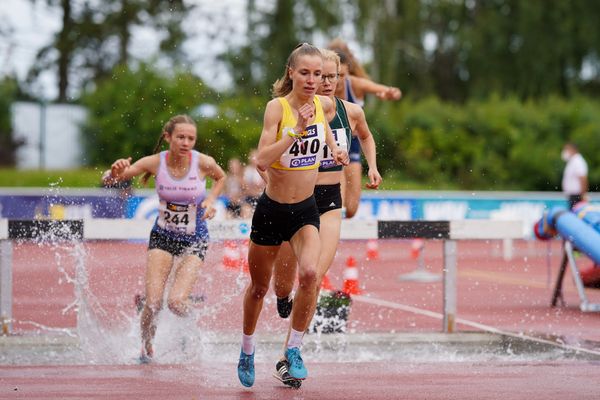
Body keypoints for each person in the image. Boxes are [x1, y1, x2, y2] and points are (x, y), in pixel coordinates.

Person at [237, 42, 348, 388]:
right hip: (271, 212)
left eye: (318, 74)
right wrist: (294, 132)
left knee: (311, 274)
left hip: (305, 211)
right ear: (291, 73)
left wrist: (335, 150)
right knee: (259, 288)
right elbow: (261, 160)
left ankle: (294, 350)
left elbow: (327, 133)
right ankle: (247, 348)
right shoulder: (277, 108)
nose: (313, 80)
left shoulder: (320, 105)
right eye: (306, 73)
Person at [271, 48, 382, 387]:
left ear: (340, 79)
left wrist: (372, 166)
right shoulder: (294, 113)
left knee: (313, 278)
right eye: (321, 77)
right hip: (295, 200)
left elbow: (365, 135)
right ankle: (281, 296)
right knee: (284, 283)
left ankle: (289, 353)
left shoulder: (352, 112)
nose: (327, 83)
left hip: (329, 201)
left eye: (334, 78)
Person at [105, 114, 226, 363]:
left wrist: (211, 200)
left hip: (195, 239)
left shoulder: (202, 162)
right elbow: (114, 178)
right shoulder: (154, 162)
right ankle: (146, 345)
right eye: (180, 137)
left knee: (176, 302)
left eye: (191, 138)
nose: (186, 142)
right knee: (153, 303)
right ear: (168, 137)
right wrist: (112, 171)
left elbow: (221, 177)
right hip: (163, 236)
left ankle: (190, 332)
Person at [328, 38, 402, 218]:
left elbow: (391, 91)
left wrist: (389, 94)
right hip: (328, 147)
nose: (336, 81)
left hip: (352, 145)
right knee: (336, 205)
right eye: (333, 75)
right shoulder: (318, 88)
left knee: (351, 209)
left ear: (348, 72)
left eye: (342, 76)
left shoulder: (355, 84)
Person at [561, 142, 588, 210]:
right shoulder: (573, 161)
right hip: (573, 196)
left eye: (567, 149)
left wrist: (583, 195)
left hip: (577, 196)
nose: (565, 151)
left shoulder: (578, 161)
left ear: (573, 149)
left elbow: (583, 178)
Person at [241, 149, 266, 218]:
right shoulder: (247, 170)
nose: (254, 159)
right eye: (252, 157)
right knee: (245, 212)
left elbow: (264, 185)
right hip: (249, 196)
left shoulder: (263, 169)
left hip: (261, 196)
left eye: (255, 157)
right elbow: (244, 186)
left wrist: (252, 187)